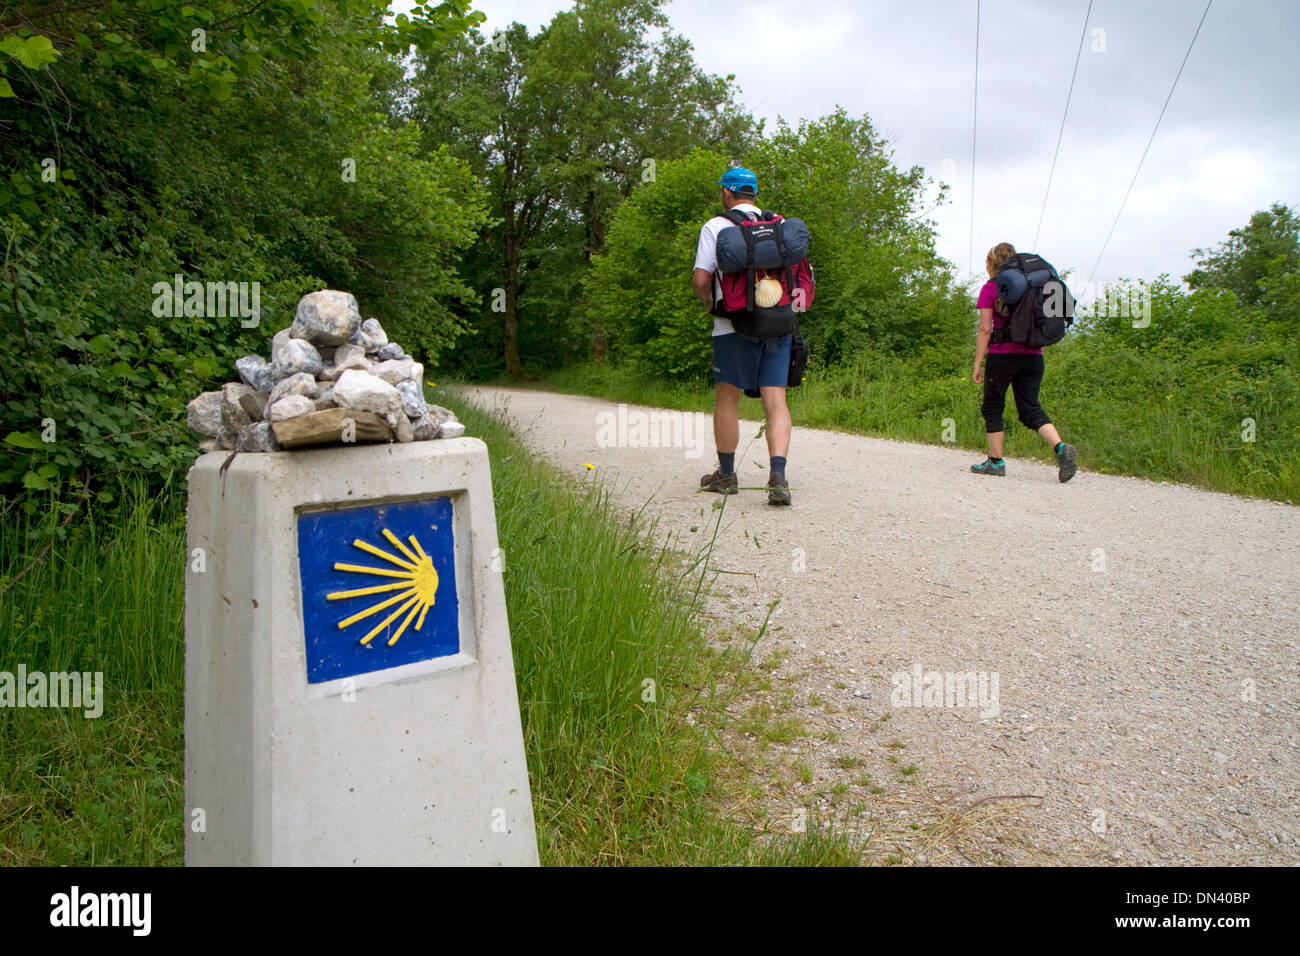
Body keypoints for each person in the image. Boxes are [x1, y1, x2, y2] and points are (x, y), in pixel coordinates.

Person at [692, 167, 793, 506]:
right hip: (777, 324)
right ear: (753, 194)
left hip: (730, 325)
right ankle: (777, 476)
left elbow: (701, 281)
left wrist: (709, 305)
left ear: (727, 193)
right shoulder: (778, 225)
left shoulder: (715, 226)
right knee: (775, 400)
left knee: (727, 398)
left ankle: (727, 474)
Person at [971, 242, 1077, 482]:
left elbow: (985, 330)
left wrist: (978, 362)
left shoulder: (990, 289)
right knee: (1030, 408)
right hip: (1033, 356)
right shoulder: (1034, 287)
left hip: (1002, 357)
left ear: (990, 263)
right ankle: (1060, 447)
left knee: (992, 407)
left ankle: (995, 462)